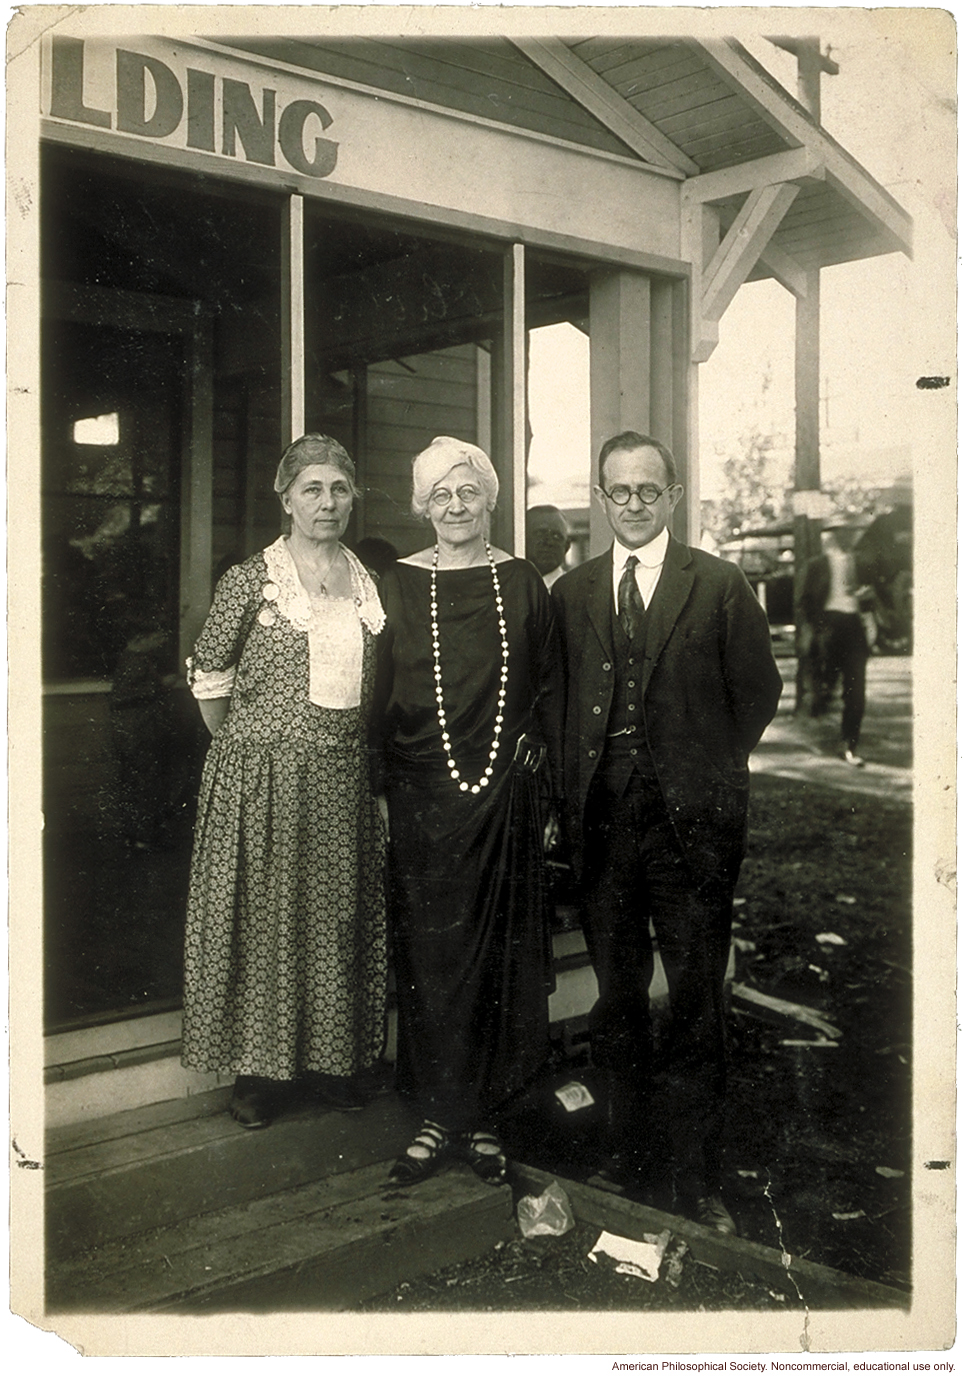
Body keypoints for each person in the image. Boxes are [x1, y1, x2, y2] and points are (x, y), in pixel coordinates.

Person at [552, 430, 782, 1234]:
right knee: (617, 998)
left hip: (691, 832)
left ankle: (695, 1176)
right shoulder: (574, 591)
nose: (635, 503)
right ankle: (628, 1152)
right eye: (619, 490)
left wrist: (698, 776)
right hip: (603, 826)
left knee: (693, 1000)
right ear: (601, 497)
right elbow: (557, 702)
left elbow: (755, 695)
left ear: (674, 496)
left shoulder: (716, 584)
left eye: (649, 489)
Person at [182, 434, 388, 1129]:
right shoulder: (252, 578)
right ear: (286, 498)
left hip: (340, 778)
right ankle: (258, 1076)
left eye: (338, 489)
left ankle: (332, 1064)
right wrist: (248, 751)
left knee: (332, 920)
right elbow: (209, 675)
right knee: (267, 922)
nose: (326, 503)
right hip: (261, 779)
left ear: (352, 497)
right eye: (312, 490)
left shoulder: (365, 580)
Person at [377, 436, 561, 1186]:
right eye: (440, 497)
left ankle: (485, 1120)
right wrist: (382, 793)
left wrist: (537, 760)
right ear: (423, 506)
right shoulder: (392, 584)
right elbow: (374, 690)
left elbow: (550, 685)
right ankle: (435, 1115)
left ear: (490, 501)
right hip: (422, 800)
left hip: (502, 801)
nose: (455, 508)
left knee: (497, 957)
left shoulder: (521, 583)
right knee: (432, 957)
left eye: (468, 494)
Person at [800, 523, 872, 766]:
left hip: (854, 626)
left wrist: (866, 599)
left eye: (853, 532)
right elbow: (806, 600)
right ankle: (819, 706)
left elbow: (875, 593)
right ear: (835, 535)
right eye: (845, 532)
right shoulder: (819, 564)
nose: (850, 536)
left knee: (856, 690)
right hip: (830, 625)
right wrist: (817, 628)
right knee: (826, 684)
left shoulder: (861, 563)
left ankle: (849, 744)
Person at [525, 504, 572, 589]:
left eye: (556, 536)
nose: (549, 542)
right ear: (523, 540)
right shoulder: (509, 587)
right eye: (540, 534)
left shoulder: (575, 590)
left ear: (567, 546)